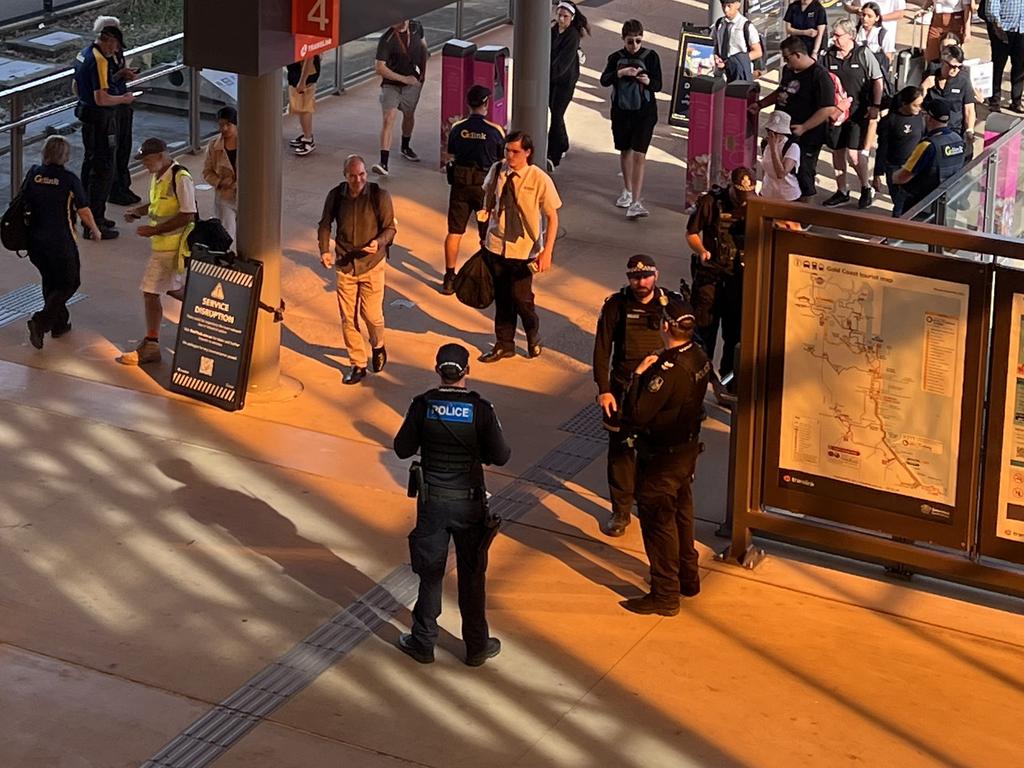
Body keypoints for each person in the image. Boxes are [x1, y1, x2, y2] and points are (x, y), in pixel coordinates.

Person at [393, 343, 511, 666]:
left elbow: (402, 448)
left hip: (432, 503)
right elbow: (502, 455)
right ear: (466, 373)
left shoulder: (422, 405)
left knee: (431, 573)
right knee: (472, 575)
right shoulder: (481, 409)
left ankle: (423, 641)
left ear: (437, 372)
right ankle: (476, 647)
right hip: (470, 505)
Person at [619, 296, 711, 616]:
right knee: (683, 514)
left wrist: (638, 376)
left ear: (667, 326)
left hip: (661, 457)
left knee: (659, 524)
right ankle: (689, 576)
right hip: (687, 450)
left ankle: (665, 593)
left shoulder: (666, 370)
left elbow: (639, 414)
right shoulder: (700, 356)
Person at [593, 255, 683, 538]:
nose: (640, 282)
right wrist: (604, 389)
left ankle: (653, 503)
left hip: (661, 390)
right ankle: (620, 510)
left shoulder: (673, 304)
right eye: (634, 277)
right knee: (621, 452)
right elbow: (602, 348)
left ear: (656, 275)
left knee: (659, 451)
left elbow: (690, 344)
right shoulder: (616, 306)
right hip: (624, 389)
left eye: (646, 277)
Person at [477, 131, 561, 363]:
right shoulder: (497, 170)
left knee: (521, 297)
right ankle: (504, 344)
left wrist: (547, 251)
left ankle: (532, 333)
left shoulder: (538, 178)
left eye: (515, 151)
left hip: (524, 249)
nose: (510, 156)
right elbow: (487, 202)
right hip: (496, 245)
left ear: (527, 152)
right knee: (502, 298)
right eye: (507, 150)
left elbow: (552, 218)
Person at [117, 137, 197, 366]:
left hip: (172, 248)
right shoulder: (159, 176)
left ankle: (151, 344)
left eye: (148, 159)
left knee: (150, 292)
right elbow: (156, 205)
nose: (145, 164)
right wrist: (139, 212)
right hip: (162, 246)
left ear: (162, 155)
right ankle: (204, 306)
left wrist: (155, 230)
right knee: (172, 288)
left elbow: (188, 213)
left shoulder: (180, 177)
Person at [317, 155, 397, 384]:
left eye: (361, 174)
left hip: (372, 264)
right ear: (345, 176)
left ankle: (378, 345)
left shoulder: (378, 195)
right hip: (345, 265)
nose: (358, 179)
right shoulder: (336, 195)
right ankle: (358, 364)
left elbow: (390, 228)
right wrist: (324, 249)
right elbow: (325, 224)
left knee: (372, 315)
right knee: (348, 318)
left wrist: (379, 242)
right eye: (353, 176)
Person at [22, 136, 104, 350]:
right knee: (70, 282)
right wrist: (95, 229)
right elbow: (83, 209)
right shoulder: (69, 179)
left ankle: (59, 323)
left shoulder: (33, 174)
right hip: (60, 241)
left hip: (35, 241)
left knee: (50, 280)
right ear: (65, 156)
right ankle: (41, 321)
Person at [685, 167, 756, 398]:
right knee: (703, 333)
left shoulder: (756, 204)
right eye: (739, 196)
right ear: (731, 186)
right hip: (710, 279)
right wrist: (702, 251)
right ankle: (698, 389)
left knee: (734, 336)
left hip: (738, 280)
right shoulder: (710, 202)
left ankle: (728, 386)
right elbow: (692, 233)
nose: (742, 201)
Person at [73, 23, 136, 240]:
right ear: (107, 39)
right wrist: (124, 98)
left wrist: (117, 76)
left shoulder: (83, 54)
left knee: (89, 164)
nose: (116, 50)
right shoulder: (99, 60)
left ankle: (88, 215)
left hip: (86, 114)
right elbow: (102, 98)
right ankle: (96, 221)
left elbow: (76, 86)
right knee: (103, 169)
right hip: (100, 119)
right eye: (115, 45)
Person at [754, 37, 835, 201]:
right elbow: (780, 91)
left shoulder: (819, 76)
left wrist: (804, 127)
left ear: (797, 54)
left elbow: (827, 108)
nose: (785, 61)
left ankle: (803, 214)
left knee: (803, 172)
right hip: (782, 130)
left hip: (807, 135)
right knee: (776, 165)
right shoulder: (788, 70)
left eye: (787, 57)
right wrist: (761, 104)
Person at [442, 85, 505, 295]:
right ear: (486, 104)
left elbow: (451, 154)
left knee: (454, 231)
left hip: (460, 185)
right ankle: (486, 276)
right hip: (484, 188)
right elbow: (501, 161)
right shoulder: (495, 131)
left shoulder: (458, 128)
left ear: (468, 104)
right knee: (486, 233)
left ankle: (449, 277)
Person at [599, 19, 663, 219]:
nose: (634, 46)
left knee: (639, 155)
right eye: (630, 42)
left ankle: (636, 201)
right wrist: (621, 72)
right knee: (625, 150)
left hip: (644, 113)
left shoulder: (651, 57)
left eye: (637, 41)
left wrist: (648, 81)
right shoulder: (615, 58)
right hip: (622, 112)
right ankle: (627, 191)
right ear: (623, 39)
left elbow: (658, 85)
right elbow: (604, 80)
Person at [820, 18, 885, 209]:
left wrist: (876, 105)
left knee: (854, 155)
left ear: (850, 36)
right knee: (837, 151)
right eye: (833, 35)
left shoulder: (863, 54)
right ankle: (842, 191)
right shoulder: (828, 56)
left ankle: (865, 187)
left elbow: (877, 80)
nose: (834, 39)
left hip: (858, 114)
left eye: (838, 35)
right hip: (836, 115)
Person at [373, 19, 429, 176]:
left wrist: (422, 76)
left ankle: (406, 145)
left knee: (409, 115)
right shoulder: (387, 39)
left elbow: (424, 47)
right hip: (391, 85)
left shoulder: (417, 27)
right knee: (388, 118)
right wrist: (404, 79)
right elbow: (379, 67)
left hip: (413, 84)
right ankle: (383, 162)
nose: (402, 22)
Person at [97, 16, 142, 207]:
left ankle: (124, 185)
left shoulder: (117, 52)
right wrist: (118, 76)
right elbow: (103, 85)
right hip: (113, 106)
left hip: (123, 103)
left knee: (125, 146)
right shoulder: (99, 58)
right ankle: (114, 189)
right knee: (113, 150)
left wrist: (124, 73)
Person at [893, 98, 966, 211]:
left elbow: (903, 177)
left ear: (928, 118)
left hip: (920, 204)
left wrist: (893, 176)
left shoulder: (928, 145)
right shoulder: (958, 140)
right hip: (944, 202)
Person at [548, 1, 590, 169]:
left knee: (557, 114)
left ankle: (554, 153)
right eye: (559, 15)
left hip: (565, 81)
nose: (561, 19)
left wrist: (547, 74)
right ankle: (563, 143)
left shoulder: (572, 36)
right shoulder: (552, 31)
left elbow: (563, 63)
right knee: (555, 111)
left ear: (572, 18)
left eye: (565, 16)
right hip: (553, 78)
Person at [874, 85, 926, 216]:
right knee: (899, 202)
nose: (919, 108)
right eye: (915, 105)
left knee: (908, 204)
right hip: (895, 167)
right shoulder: (890, 121)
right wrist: (877, 173)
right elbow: (882, 147)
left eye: (921, 105)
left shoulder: (921, 118)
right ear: (904, 104)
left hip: (915, 167)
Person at [921, 44, 977, 161]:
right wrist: (924, 88)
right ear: (943, 61)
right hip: (932, 133)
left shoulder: (963, 80)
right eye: (951, 66)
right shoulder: (931, 76)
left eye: (958, 67)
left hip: (954, 132)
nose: (955, 70)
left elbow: (969, 109)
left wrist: (969, 130)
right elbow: (917, 105)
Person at [202, 106, 238, 241]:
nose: (224, 128)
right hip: (225, 196)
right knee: (226, 235)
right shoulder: (213, 146)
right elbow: (207, 171)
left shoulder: (249, 143)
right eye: (221, 124)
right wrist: (220, 182)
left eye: (228, 124)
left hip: (246, 196)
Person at [984, 0, 1024, 113]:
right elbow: (992, 5)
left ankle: (1016, 102)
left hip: (1021, 30)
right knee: (998, 66)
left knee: (1020, 67)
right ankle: (994, 101)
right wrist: (997, 25)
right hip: (1002, 29)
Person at [713, 0, 764, 83]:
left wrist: (736, 61)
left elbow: (758, 52)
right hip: (721, 72)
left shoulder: (746, 26)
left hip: (739, 73)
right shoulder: (719, 23)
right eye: (723, 6)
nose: (725, 9)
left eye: (729, 6)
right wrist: (715, 56)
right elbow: (713, 43)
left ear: (738, 5)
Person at [759, 111, 803, 202]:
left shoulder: (792, 147)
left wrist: (773, 148)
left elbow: (781, 174)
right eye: (769, 131)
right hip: (767, 193)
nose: (772, 135)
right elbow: (765, 169)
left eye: (776, 132)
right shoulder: (765, 144)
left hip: (787, 197)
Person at [286, 54, 320, 156]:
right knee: (302, 107)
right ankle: (306, 135)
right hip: (299, 71)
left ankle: (308, 139)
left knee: (304, 108)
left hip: (304, 74)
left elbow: (309, 58)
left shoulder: (305, 41)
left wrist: (302, 81)